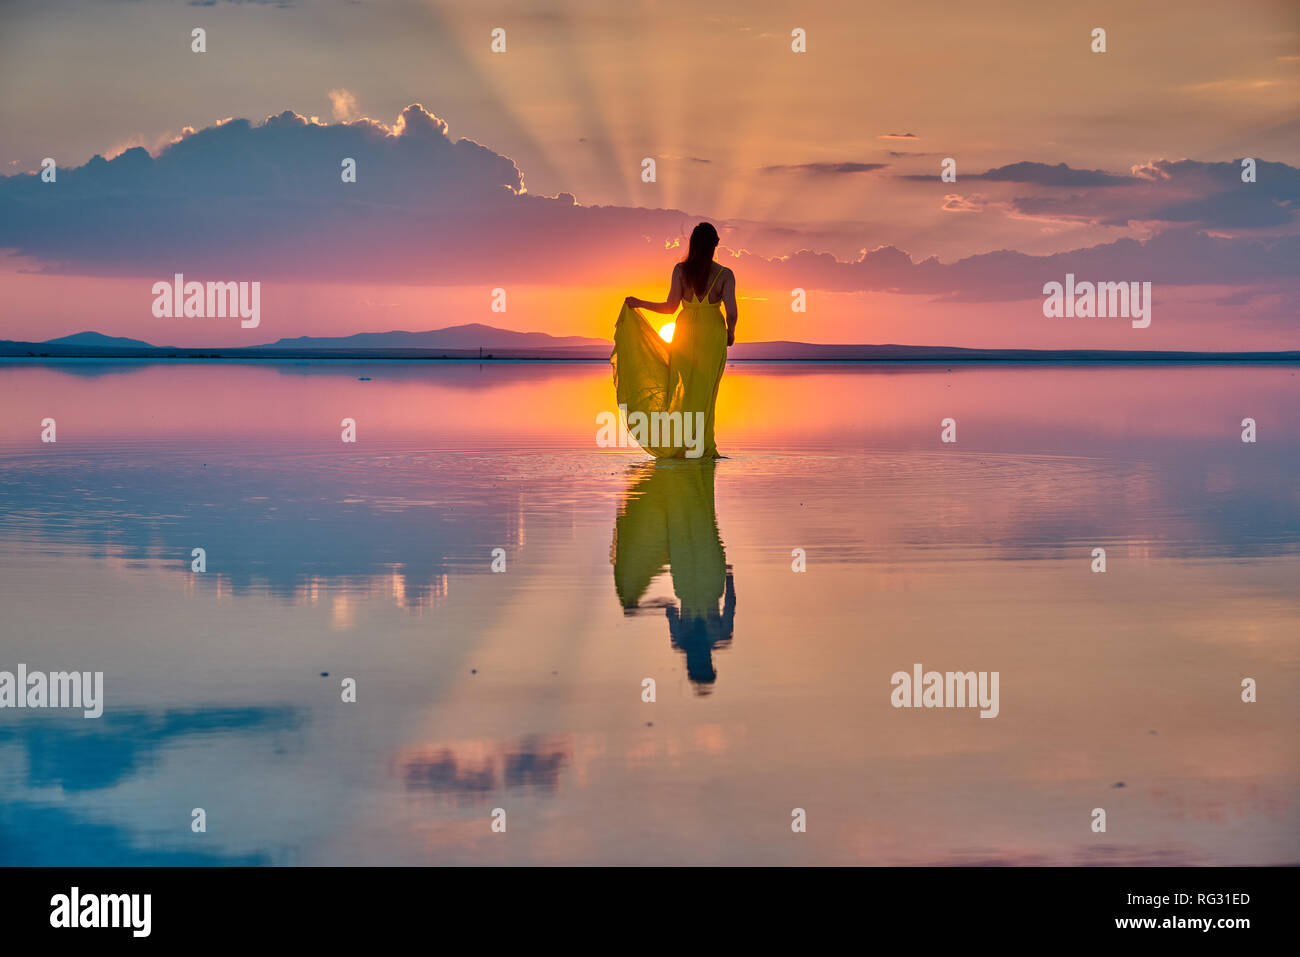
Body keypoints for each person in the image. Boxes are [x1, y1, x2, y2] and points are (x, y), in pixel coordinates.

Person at [613, 222, 737, 459]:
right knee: (705, 393)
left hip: (683, 334)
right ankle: (698, 446)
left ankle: (679, 444)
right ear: (715, 245)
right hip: (712, 336)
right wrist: (731, 332)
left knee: (681, 388)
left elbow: (670, 307)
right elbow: (731, 311)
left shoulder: (681, 271)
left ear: (693, 243)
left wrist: (640, 302)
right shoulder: (725, 275)